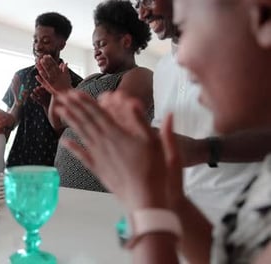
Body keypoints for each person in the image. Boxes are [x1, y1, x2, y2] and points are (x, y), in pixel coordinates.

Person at [54, 0, 271, 262]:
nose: (183, 58)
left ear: (262, 17)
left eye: (187, 26)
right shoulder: (164, 72)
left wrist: (150, 213)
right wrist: (165, 197)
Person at [135, 0, 271, 223]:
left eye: (147, 0)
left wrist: (205, 150)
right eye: (136, 4)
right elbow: (162, 128)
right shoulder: (162, 69)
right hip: (186, 216)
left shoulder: (243, 52)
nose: (141, 13)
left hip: (238, 211)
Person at [36, 0, 153, 192]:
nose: (96, 52)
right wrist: (57, 94)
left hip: (104, 191)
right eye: (94, 46)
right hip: (66, 185)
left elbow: (111, 125)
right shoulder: (91, 79)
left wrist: (66, 93)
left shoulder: (139, 76)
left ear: (126, 41)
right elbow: (58, 121)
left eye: (102, 44)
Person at [1, 12, 83, 167]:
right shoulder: (22, 76)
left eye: (45, 41)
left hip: (56, 167)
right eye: (36, 40)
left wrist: (48, 104)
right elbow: (9, 124)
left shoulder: (76, 83)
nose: (38, 46)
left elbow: (72, 136)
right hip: (19, 163)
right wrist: (17, 104)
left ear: (62, 44)